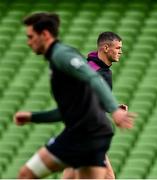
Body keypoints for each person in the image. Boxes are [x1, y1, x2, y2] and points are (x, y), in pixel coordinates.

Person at [13, 12, 135, 179]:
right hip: (90, 132)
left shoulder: (61, 55)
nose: (28, 42)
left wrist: (113, 108)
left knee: (25, 175)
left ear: (45, 34)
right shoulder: (63, 59)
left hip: (85, 134)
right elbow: (72, 107)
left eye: (30, 36)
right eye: (118, 48)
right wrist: (33, 117)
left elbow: (92, 79)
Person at [62, 32, 128, 179]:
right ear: (105, 48)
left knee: (71, 174)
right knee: (108, 177)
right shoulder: (97, 72)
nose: (120, 51)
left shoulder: (94, 68)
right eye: (118, 48)